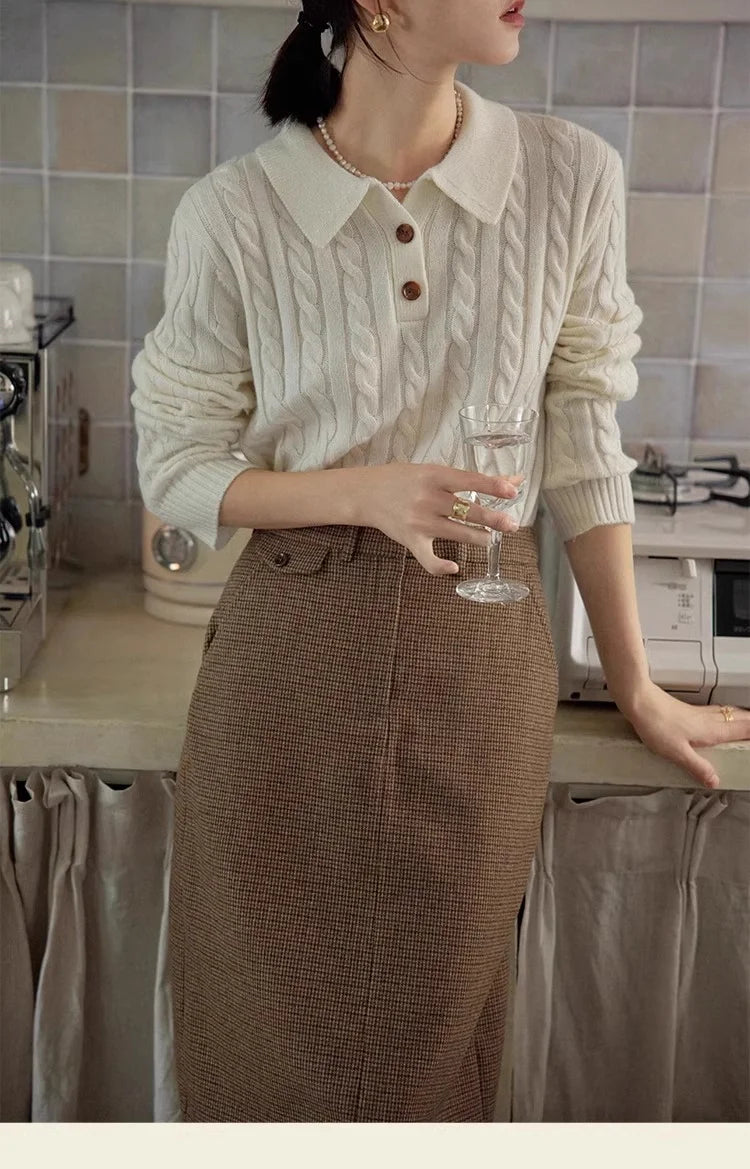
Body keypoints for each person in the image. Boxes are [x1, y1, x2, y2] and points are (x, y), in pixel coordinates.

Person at [130, 0, 750, 1123]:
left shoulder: (569, 177)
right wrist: (359, 491)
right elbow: (175, 464)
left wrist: (637, 679)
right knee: (259, 1063)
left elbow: (584, 438)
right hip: (287, 671)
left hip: (480, 663)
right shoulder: (233, 212)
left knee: (435, 1063)